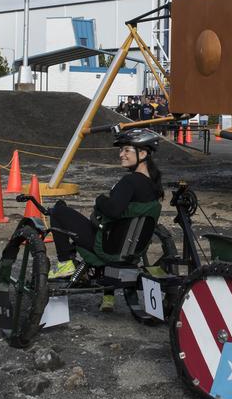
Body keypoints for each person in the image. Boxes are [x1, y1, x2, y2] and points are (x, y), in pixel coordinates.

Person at [47, 128, 164, 312]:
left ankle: (65, 263)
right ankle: (102, 290)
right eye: (121, 150)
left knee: (58, 211)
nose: (121, 154)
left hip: (106, 247)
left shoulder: (130, 182)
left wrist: (100, 199)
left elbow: (113, 210)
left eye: (126, 150)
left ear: (143, 153)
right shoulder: (154, 187)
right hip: (130, 250)